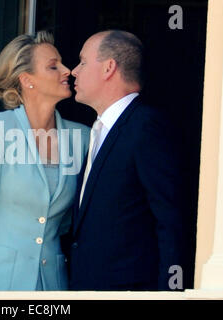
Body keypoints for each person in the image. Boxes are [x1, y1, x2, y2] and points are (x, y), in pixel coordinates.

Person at [0, 31, 90, 291]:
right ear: (27, 80)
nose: (67, 71)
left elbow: (71, 223)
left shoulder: (83, 138)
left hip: (54, 286)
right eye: (54, 66)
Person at [67, 30, 186, 291]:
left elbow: (170, 219)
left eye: (83, 62)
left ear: (109, 67)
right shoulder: (99, 129)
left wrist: (170, 295)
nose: (74, 71)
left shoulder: (146, 127)